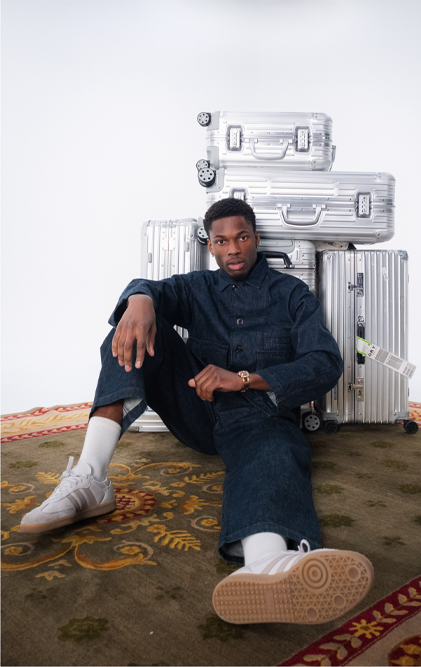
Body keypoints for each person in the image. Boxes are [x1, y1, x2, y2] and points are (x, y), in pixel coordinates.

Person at [20, 198, 373, 625]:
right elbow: (150, 290)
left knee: (273, 456)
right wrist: (140, 300)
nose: (233, 249)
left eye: (242, 237)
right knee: (129, 330)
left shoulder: (292, 294)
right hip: (198, 414)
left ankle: (267, 563)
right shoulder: (198, 288)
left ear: (256, 238)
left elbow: (325, 363)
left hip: (261, 416)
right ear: (210, 246)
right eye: (222, 241)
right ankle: (91, 477)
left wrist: (244, 379)